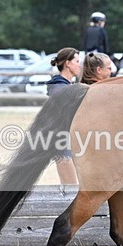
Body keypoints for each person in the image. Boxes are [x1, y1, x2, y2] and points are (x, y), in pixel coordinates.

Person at [46, 48, 82, 184]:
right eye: (77, 61)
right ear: (67, 63)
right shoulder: (59, 88)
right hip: (63, 143)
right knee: (70, 186)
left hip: (69, 142)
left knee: (72, 187)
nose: (79, 65)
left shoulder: (65, 86)